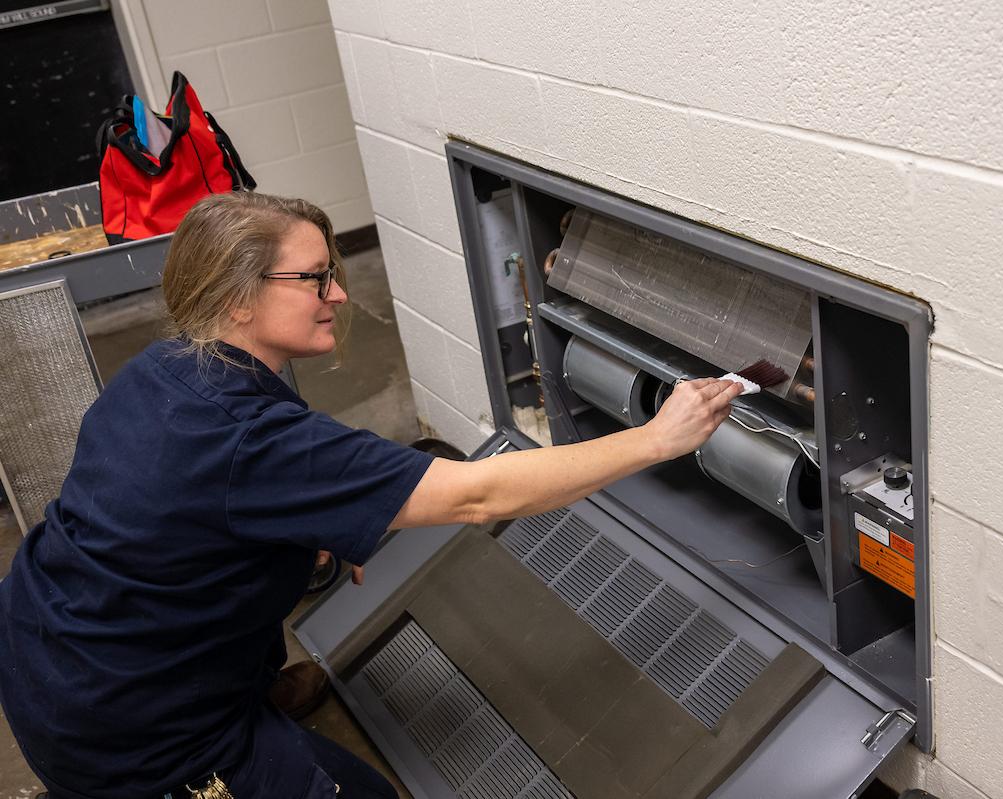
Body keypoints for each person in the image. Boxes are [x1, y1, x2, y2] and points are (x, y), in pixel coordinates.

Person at [0, 192, 742, 799]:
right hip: (125, 731)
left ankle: (251, 703)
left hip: (43, 649)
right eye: (315, 278)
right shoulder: (254, 439)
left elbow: (175, 516)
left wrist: (305, 532)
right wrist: (656, 438)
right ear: (236, 298)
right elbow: (478, 494)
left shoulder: (162, 369)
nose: (339, 294)